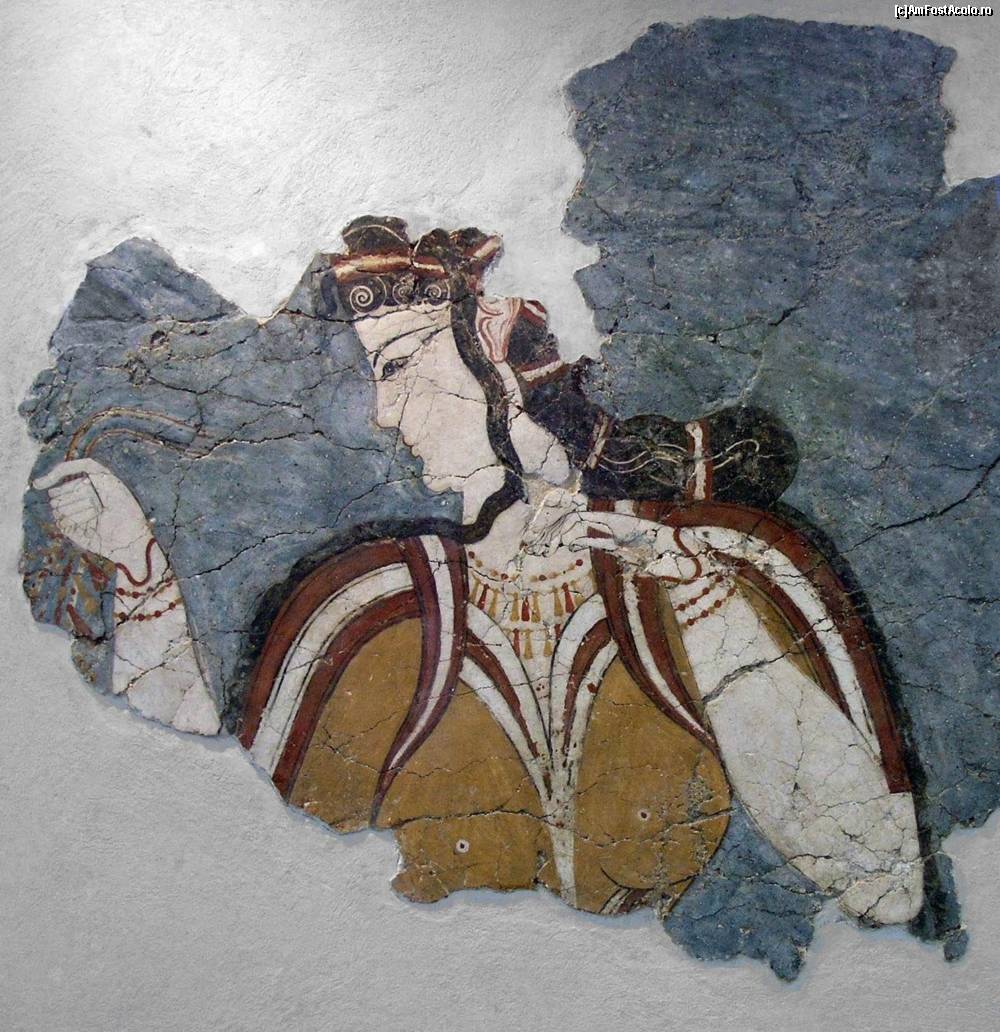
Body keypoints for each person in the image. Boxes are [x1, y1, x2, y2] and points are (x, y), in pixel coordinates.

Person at [36, 217, 923, 923]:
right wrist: (144, 579)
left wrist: (697, 597)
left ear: (493, 358)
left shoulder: (711, 566)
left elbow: (883, 886)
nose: (385, 413)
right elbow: (224, 841)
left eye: (400, 367)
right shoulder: (368, 605)